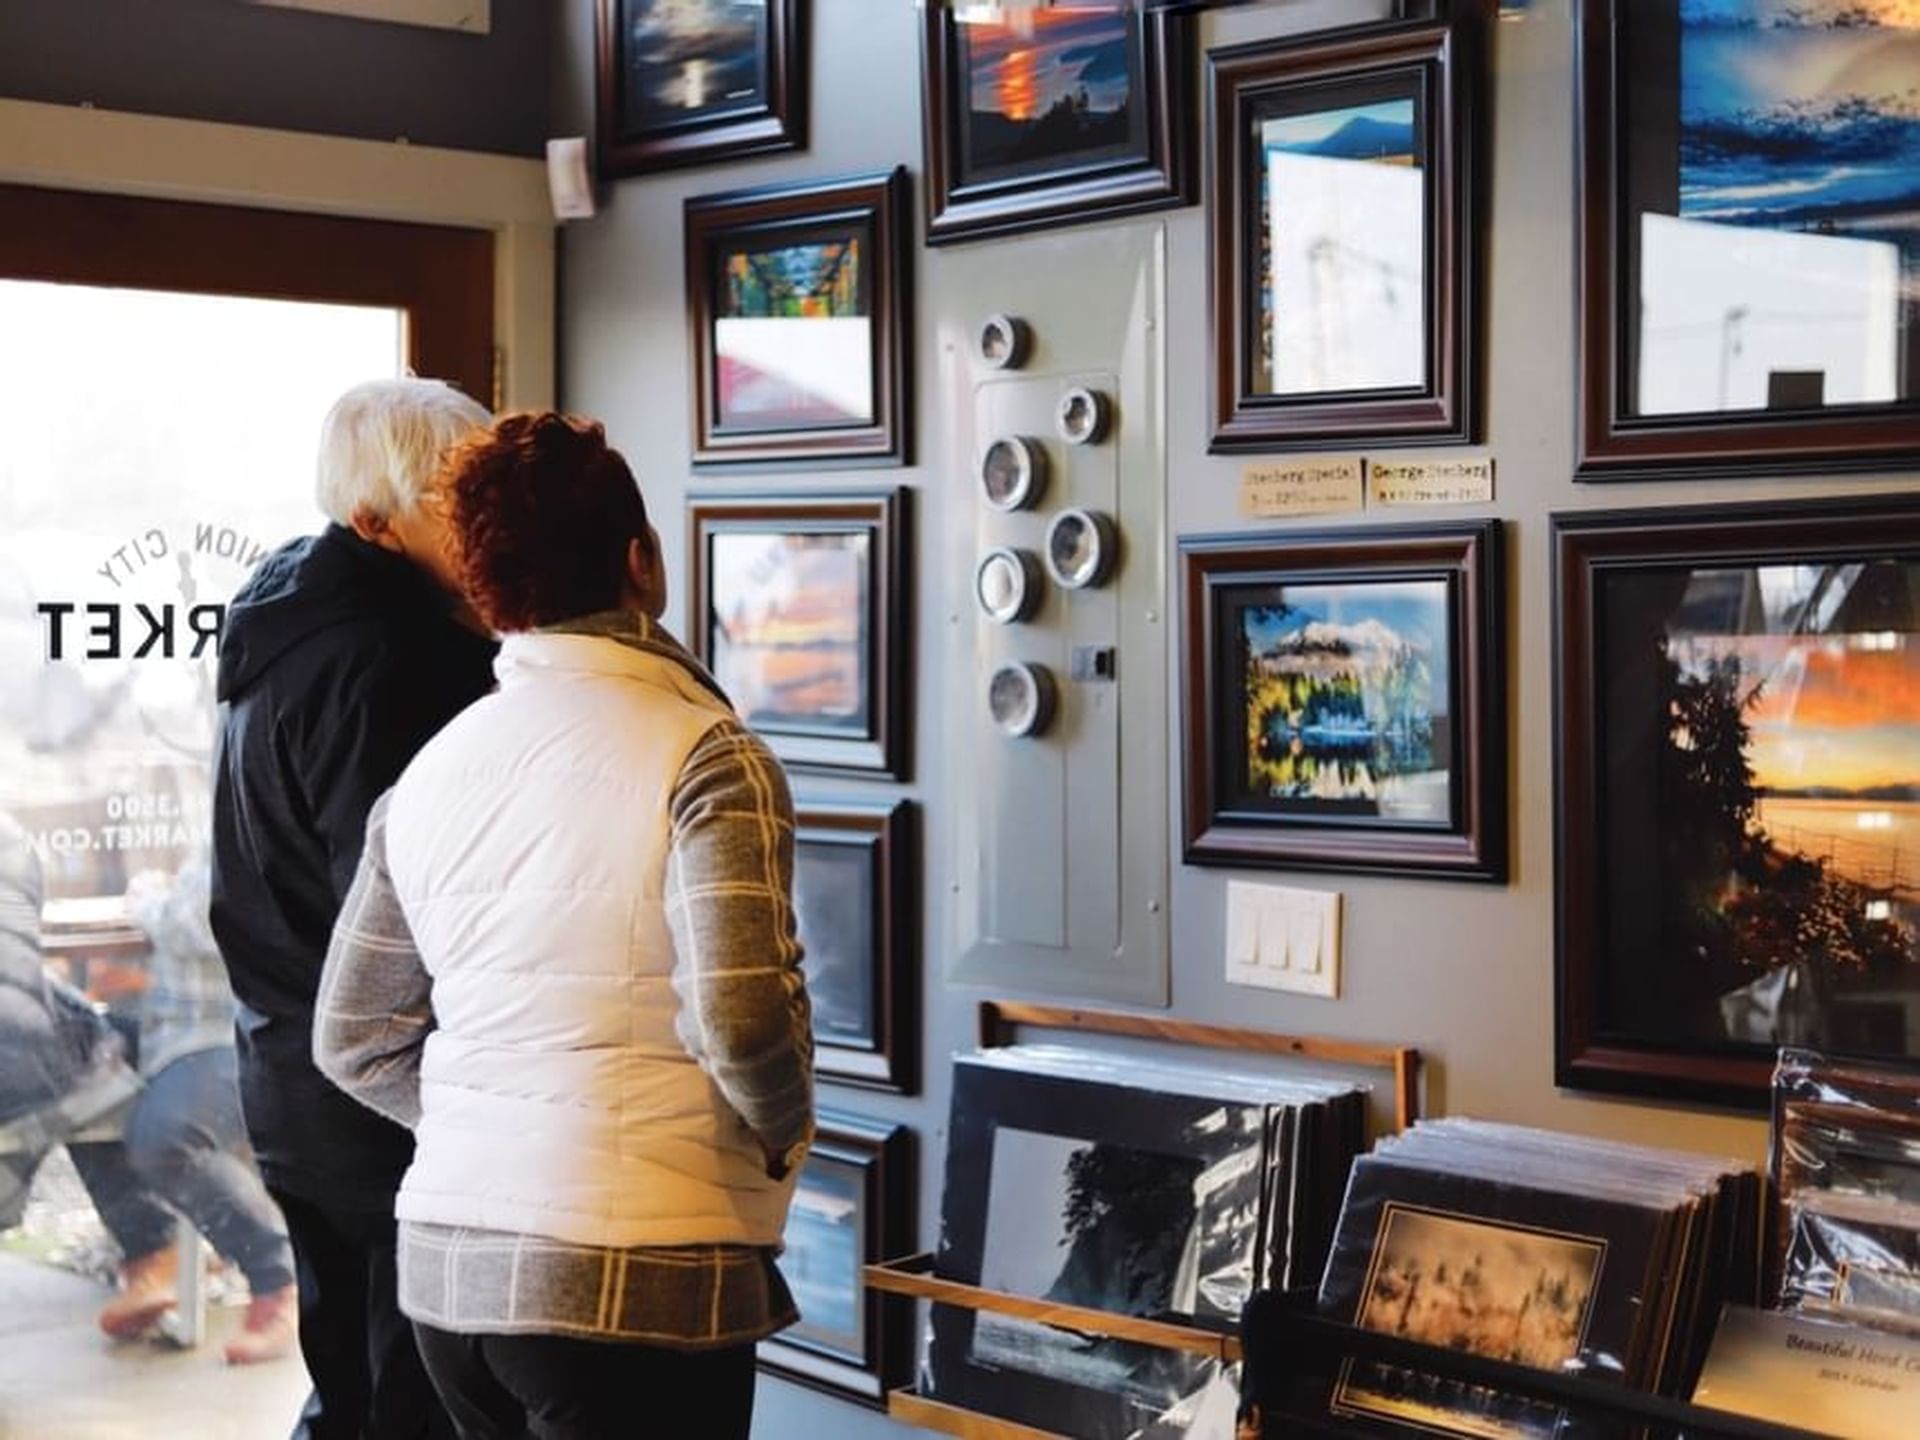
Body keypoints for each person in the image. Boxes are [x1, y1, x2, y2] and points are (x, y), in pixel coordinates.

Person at [313, 411, 814, 1440]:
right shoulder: (707, 755)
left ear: (485, 584)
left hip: (453, 1273)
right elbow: (745, 1015)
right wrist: (778, 1134)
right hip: (641, 1271)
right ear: (642, 561)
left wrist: (495, 1119)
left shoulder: (429, 775)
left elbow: (353, 1038)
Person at [211, 379, 496, 1439]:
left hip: (289, 1072)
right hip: (381, 1090)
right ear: (377, 519)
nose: (476, 518)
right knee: (407, 1398)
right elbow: (406, 909)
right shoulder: (394, 656)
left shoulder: (285, 616)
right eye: (447, 494)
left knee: (352, 1385)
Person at [119, 853, 299, 1364]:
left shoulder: (233, 811)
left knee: (167, 1139)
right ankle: (149, 1259)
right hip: (181, 1038)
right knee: (89, 1086)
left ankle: (277, 1279)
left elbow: (200, 920)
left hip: (230, 1036)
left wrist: (147, 900)